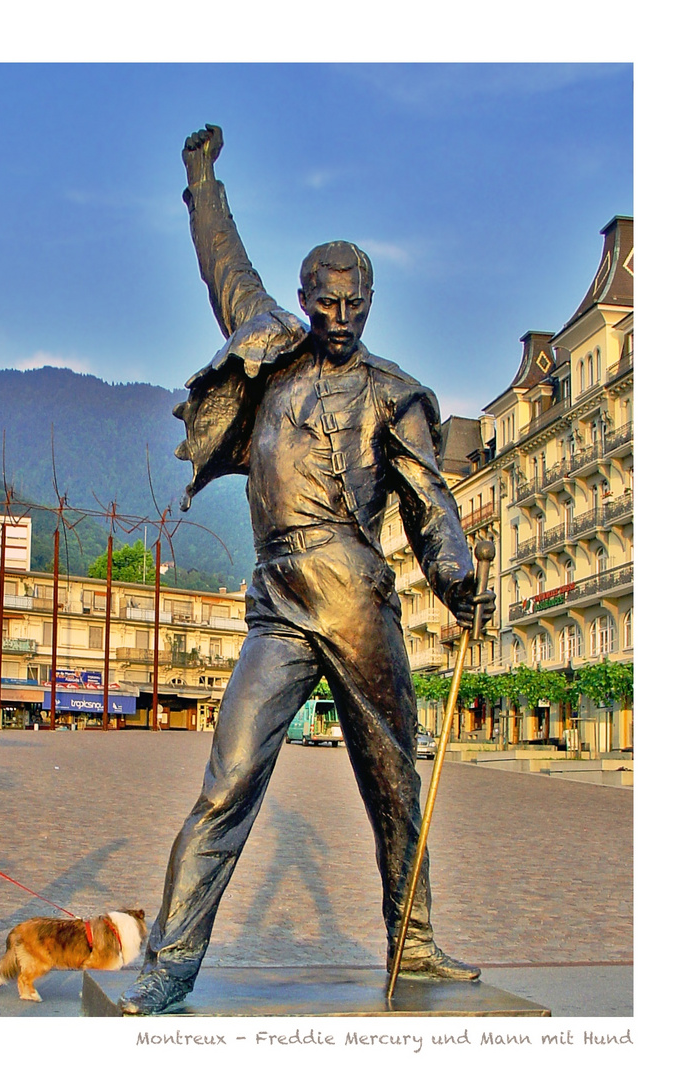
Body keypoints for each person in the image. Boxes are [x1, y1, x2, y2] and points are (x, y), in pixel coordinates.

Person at [119, 126, 495, 1016]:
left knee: (392, 778)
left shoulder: (394, 392)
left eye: (354, 306)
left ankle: (417, 942)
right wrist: (201, 179)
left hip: (358, 601)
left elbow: (428, 498)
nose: (339, 319)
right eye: (326, 304)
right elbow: (223, 263)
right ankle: (169, 968)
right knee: (229, 781)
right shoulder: (271, 349)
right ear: (302, 298)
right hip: (278, 602)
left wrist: (458, 576)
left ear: (371, 302)